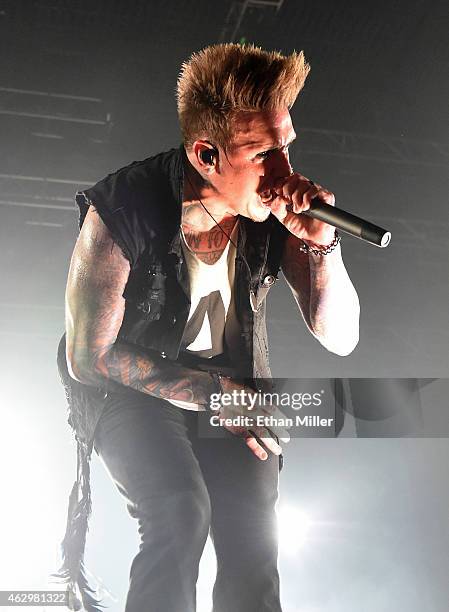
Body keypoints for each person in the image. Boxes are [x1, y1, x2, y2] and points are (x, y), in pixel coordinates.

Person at [52, 43, 360, 612]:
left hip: (234, 394)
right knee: (178, 510)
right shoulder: (125, 205)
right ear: (206, 153)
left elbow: (339, 337)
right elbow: (87, 356)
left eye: (287, 147)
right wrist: (213, 395)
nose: (284, 173)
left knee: (253, 543)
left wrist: (322, 246)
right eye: (261, 153)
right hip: (134, 392)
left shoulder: (272, 213)